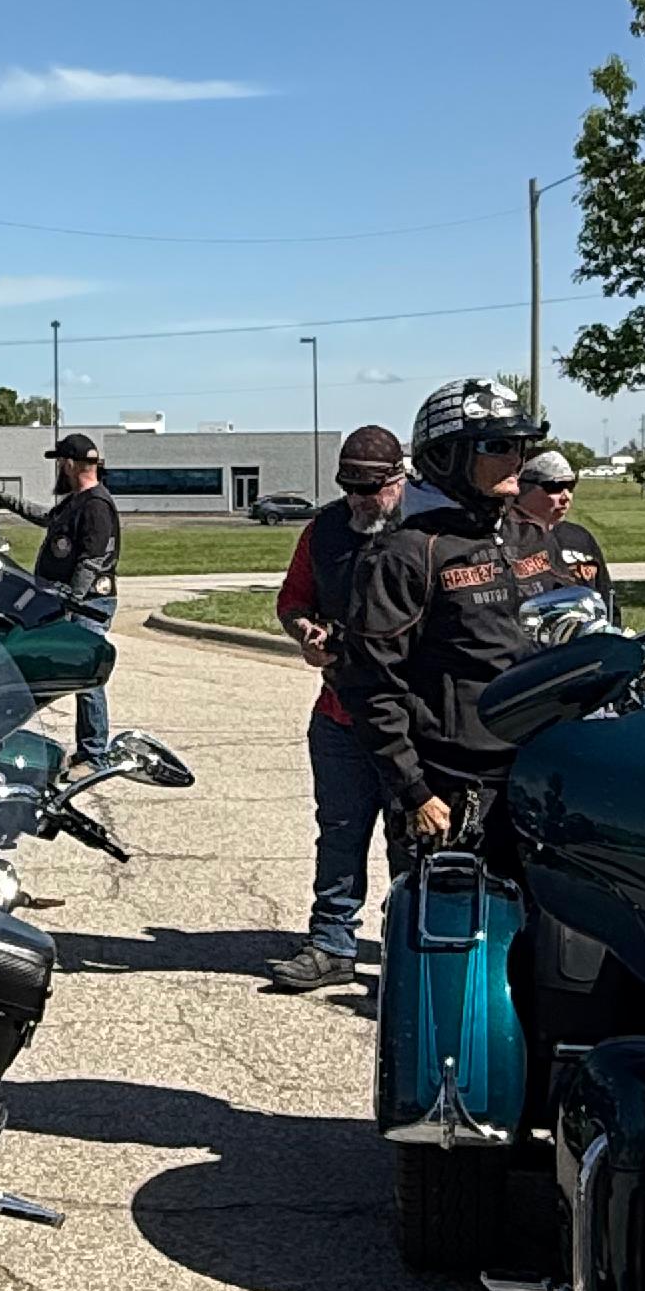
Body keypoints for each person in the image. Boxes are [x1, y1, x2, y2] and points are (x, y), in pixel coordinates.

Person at [341, 377, 549, 853]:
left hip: (534, 773)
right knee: (451, 923)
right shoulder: (406, 554)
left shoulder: (530, 537)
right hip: (450, 788)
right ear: (447, 457)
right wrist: (414, 790)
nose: (517, 459)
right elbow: (370, 684)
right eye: (498, 446)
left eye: (522, 446)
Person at [266, 425, 411, 992]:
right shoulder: (325, 529)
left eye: (369, 490)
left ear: (399, 480)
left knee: (412, 842)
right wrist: (304, 631)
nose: (357, 501)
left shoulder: (426, 529)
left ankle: (407, 948)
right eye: (348, 489)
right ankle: (331, 944)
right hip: (339, 714)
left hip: (410, 719)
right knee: (341, 831)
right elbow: (292, 599)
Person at [0, 433, 120, 766]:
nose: (59, 470)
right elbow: (48, 518)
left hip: (88, 603)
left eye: (60, 463)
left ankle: (95, 754)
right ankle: (89, 750)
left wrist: (72, 598)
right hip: (67, 598)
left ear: (69, 463)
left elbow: (92, 559)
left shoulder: (96, 504)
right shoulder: (76, 501)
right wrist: (9, 502)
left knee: (86, 673)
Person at [498, 449, 616, 614]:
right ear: (520, 487)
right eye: (554, 486)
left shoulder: (580, 538)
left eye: (570, 486)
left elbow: (606, 599)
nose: (566, 496)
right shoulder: (502, 538)